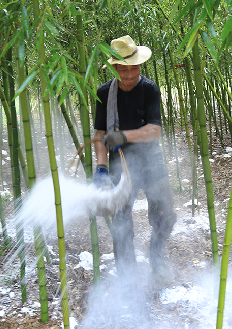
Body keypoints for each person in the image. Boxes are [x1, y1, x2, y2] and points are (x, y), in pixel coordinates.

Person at [93, 35, 176, 282]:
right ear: (115, 68)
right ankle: (126, 275)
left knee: (166, 215)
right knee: (120, 223)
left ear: (140, 66)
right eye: (123, 69)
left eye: (134, 68)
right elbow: (99, 134)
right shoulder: (104, 93)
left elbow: (154, 130)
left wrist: (123, 136)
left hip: (152, 163)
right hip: (120, 164)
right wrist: (100, 167)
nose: (129, 74)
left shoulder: (149, 89)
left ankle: (157, 258)